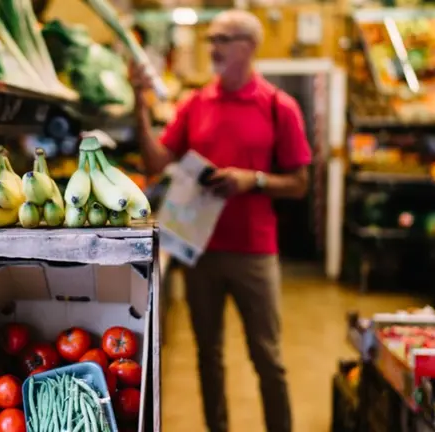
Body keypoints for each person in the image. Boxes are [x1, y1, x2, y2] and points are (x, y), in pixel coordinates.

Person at [129, 9, 311, 432]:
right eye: (210, 39)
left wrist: (255, 180)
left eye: (222, 39)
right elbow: (155, 161)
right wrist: (139, 103)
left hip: (254, 252)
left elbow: (300, 183)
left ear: (248, 46)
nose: (212, 48)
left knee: (268, 358)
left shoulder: (277, 106)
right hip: (199, 250)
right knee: (207, 355)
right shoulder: (195, 104)